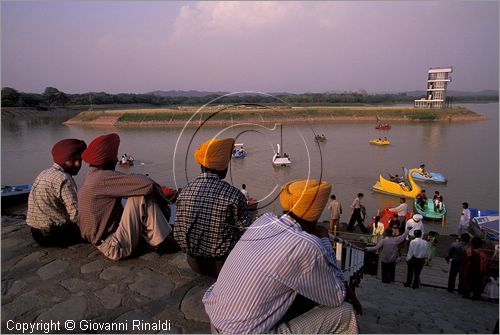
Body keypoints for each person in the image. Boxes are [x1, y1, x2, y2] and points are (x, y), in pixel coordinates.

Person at [203, 179, 361, 334]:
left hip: (216, 320)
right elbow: (338, 295)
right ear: (315, 214)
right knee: (345, 312)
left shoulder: (263, 221)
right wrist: (325, 241)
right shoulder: (307, 244)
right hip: (243, 332)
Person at [78, 133, 177, 261]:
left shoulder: (91, 177)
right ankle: (162, 241)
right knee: (141, 196)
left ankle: (159, 236)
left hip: (103, 240)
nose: (116, 160)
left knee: (137, 192)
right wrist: (164, 203)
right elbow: (148, 184)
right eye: (114, 157)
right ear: (108, 160)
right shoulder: (102, 178)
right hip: (113, 246)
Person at [174, 138, 252, 277]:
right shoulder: (233, 194)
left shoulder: (185, 191)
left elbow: (179, 231)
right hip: (222, 266)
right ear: (224, 168)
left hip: (193, 262)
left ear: (202, 166)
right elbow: (247, 231)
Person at [26, 139, 87, 247]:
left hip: (36, 234)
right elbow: (76, 214)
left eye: (80, 160)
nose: (78, 164)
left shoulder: (44, 172)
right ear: (64, 159)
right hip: (54, 235)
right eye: (74, 160)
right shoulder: (64, 178)